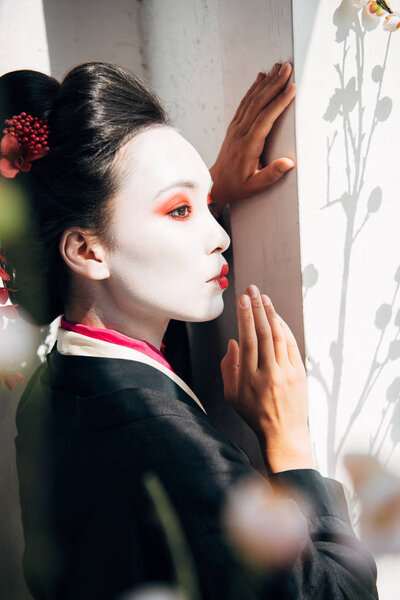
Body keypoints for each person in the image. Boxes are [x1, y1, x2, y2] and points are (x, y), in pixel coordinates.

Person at [0, 62, 378, 600]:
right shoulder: (173, 448)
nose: (219, 235)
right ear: (86, 250)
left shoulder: (58, 388)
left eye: (206, 205)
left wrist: (203, 191)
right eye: (180, 210)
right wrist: (289, 442)